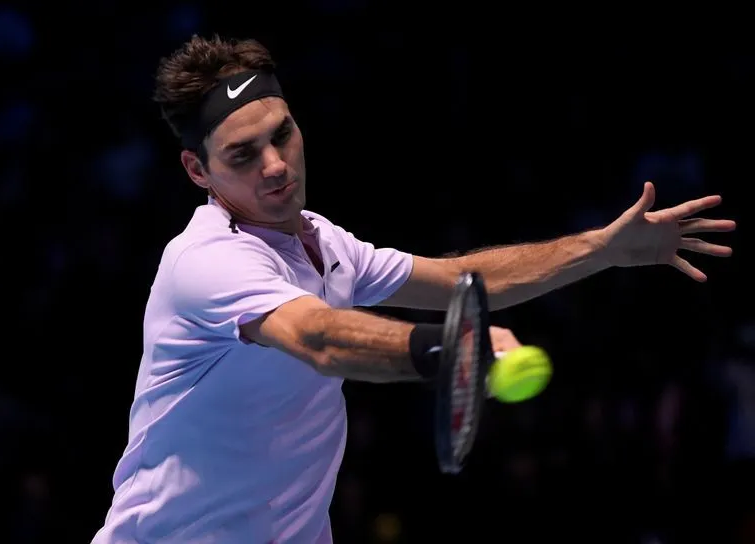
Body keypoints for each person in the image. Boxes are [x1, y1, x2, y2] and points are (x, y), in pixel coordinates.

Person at [91, 34, 736, 543]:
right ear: (197, 170)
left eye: (281, 134)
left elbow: (462, 281)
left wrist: (602, 248)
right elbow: (317, 336)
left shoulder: (326, 242)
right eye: (243, 154)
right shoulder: (207, 261)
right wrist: (451, 348)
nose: (277, 164)